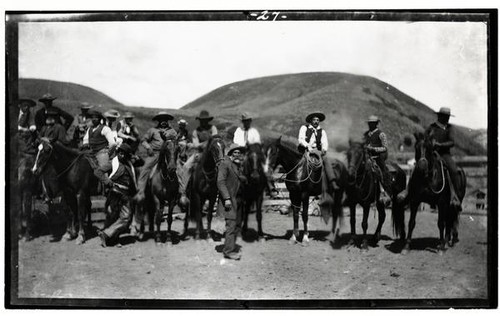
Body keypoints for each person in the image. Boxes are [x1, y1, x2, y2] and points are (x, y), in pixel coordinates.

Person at [97, 143, 137, 247]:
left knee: (124, 218)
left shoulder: (129, 165)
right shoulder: (112, 163)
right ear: (118, 152)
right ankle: (109, 237)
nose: (122, 155)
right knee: (119, 216)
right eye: (120, 153)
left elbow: (140, 162)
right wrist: (107, 182)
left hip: (126, 194)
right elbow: (98, 171)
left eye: (124, 154)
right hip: (115, 193)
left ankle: (108, 236)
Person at [135, 111, 177, 201]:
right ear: (158, 120)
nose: (163, 121)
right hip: (155, 153)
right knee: (145, 169)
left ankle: (181, 193)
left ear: (168, 120)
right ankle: (140, 192)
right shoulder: (152, 130)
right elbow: (143, 140)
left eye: (165, 119)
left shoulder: (172, 131)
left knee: (179, 169)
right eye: (161, 119)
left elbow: (175, 142)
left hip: (168, 154)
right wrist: (148, 147)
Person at [233, 112, 278, 197]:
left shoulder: (253, 131)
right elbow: (236, 142)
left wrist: (251, 145)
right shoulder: (238, 131)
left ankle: (270, 185)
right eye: (245, 121)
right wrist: (243, 145)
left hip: (253, 151)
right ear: (242, 122)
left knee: (264, 165)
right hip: (241, 151)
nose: (246, 123)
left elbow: (257, 143)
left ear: (250, 121)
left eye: (248, 121)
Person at [178, 110, 218, 205]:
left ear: (208, 120)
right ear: (199, 121)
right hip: (200, 153)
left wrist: (204, 144)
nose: (203, 122)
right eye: (202, 120)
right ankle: (183, 193)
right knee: (186, 166)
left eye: (205, 120)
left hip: (213, 152)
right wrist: (207, 143)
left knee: (222, 165)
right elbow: (196, 145)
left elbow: (215, 140)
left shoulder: (213, 128)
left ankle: (222, 193)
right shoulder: (196, 131)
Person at [217, 143, 247, 260]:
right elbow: (220, 182)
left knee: (237, 225)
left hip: (239, 200)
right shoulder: (225, 164)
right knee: (231, 225)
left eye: (239, 153)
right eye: (235, 152)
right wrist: (227, 198)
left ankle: (231, 246)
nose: (237, 155)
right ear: (230, 154)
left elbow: (240, 180)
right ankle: (228, 251)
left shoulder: (238, 166)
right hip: (229, 200)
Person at [425, 107, 460, 203]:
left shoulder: (450, 128)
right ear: (439, 116)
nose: (447, 118)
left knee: (454, 170)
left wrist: (440, 144)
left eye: (447, 117)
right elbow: (425, 138)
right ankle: (408, 192)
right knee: (419, 167)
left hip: (444, 154)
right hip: (431, 153)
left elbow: (452, 142)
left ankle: (455, 196)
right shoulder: (431, 127)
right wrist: (429, 143)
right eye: (445, 116)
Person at [297, 111, 339, 191]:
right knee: (295, 161)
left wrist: (324, 149)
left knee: (326, 161)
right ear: (310, 121)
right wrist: (308, 147)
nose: (316, 121)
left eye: (317, 120)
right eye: (314, 120)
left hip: (317, 151)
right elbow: (301, 139)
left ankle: (332, 181)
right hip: (305, 150)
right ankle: (292, 179)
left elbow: (325, 142)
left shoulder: (322, 131)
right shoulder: (304, 128)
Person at [17, 98, 38, 241]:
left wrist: (25, 130)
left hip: (26, 147)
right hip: (15, 143)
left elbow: (33, 128)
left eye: (28, 106)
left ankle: (27, 229)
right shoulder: (15, 114)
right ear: (20, 105)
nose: (26, 108)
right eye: (24, 106)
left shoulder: (30, 115)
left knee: (26, 195)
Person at [81, 110, 117, 186]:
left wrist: (109, 153)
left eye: (96, 118)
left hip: (102, 152)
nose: (94, 119)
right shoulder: (89, 129)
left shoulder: (105, 128)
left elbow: (113, 143)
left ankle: (107, 186)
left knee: (102, 170)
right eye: (92, 118)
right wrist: (85, 146)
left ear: (100, 119)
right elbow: (85, 140)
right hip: (91, 152)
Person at [363, 115, 392, 198]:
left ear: (376, 124)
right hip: (366, 158)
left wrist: (374, 149)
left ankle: (384, 192)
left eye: (372, 123)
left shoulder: (381, 134)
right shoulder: (365, 134)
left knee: (382, 173)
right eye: (369, 123)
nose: (370, 125)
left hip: (377, 158)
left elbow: (385, 147)